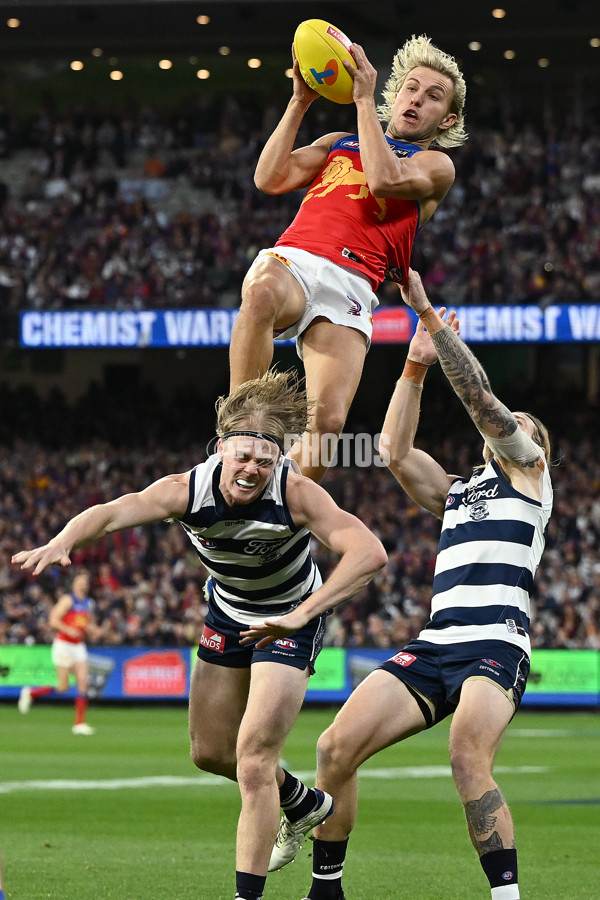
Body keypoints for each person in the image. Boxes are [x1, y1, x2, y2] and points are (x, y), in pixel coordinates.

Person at [12, 370, 387, 900]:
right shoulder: (186, 490)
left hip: (288, 617)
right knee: (210, 752)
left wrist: (303, 613)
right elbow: (112, 513)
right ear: (221, 449)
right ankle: (302, 802)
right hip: (228, 614)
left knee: (254, 759)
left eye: (264, 460)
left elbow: (369, 552)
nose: (252, 469)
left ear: (278, 460)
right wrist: (62, 541)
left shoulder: (297, 494)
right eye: (243, 456)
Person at [255, 271, 553, 900]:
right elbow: (392, 450)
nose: (511, 424)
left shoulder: (530, 476)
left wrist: (429, 317)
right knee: (335, 748)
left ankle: (506, 896)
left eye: (522, 424)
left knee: (466, 755)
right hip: (437, 644)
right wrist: (414, 367)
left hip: (495, 644)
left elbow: (483, 401)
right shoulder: (458, 492)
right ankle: (326, 890)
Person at [230, 34, 467, 481]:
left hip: (355, 282)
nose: (417, 99)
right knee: (260, 291)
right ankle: (240, 434)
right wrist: (299, 102)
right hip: (297, 258)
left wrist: (363, 102)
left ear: (447, 119)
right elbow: (268, 178)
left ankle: (276, 502)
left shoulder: (437, 166)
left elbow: (383, 180)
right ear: (396, 95)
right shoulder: (339, 142)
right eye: (411, 88)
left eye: (433, 96)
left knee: (328, 424)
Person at [18, 570, 97, 735]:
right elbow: (53, 620)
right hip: (64, 645)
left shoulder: (88, 603)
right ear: (74, 583)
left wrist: (94, 630)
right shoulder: (68, 600)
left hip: (78, 646)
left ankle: (79, 724)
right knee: (63, 687)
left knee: (83, 682)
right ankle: (31, 692)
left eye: (86, 581)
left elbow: (86, 623)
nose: (84, 584)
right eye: (81, 580)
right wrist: (68, 630)